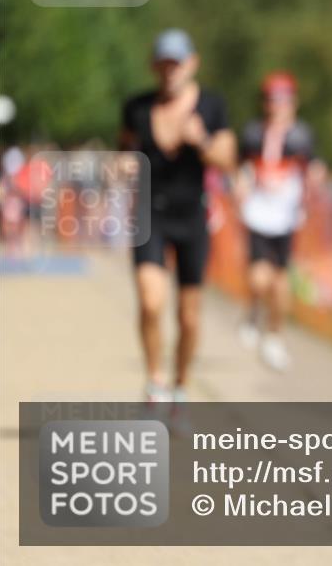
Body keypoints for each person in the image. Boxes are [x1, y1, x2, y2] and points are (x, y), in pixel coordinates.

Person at [119, 29, 237, 408]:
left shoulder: (211, 107)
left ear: (192, 64)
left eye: (178, 63)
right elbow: (125, 149)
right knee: (151, 302)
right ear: (155, 66)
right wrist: (121, 165)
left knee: (189, 316)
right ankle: (155, 382)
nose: (171, 71)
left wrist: (200, 141)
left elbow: (228, 160)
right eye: (164, 63)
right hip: (149, 212)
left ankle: (181, 386)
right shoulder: (136, 108)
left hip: (192, 216)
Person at [235, 71, 324, 371]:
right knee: (259, 279)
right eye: (273, 100)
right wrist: (241, 185)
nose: (278, 106)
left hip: (286, 219)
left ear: (293, 103)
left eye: (283, 100)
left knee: (281, 283)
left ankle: (274, 337)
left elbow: (313, 168)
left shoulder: (302, 135)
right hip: (258, 214)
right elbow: (241, 168)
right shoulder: (252, 134)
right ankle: (252, 313)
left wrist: (314, 185)